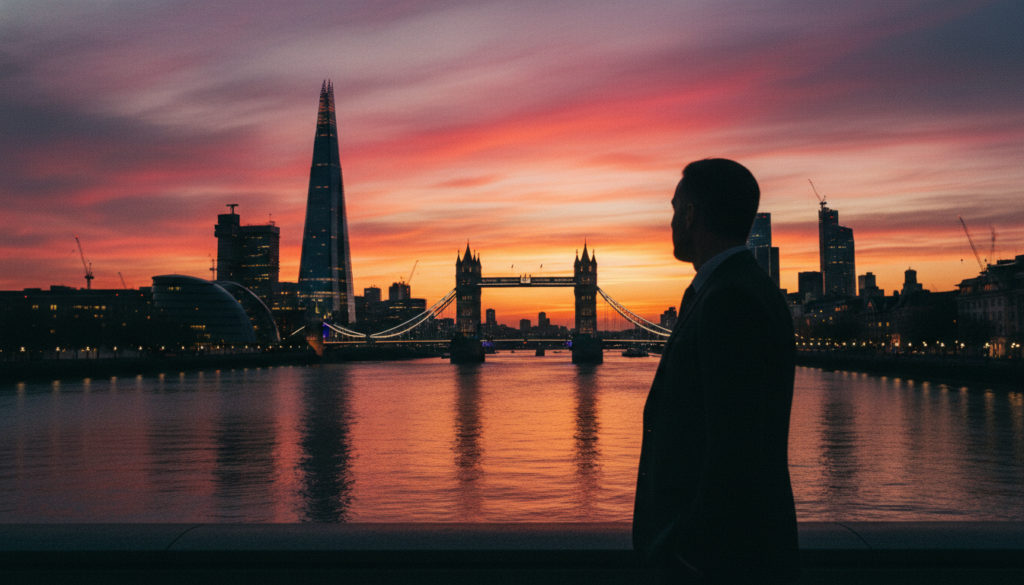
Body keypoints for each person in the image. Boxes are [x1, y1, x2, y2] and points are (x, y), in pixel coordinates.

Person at [633, 159, 800, 583]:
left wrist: (690, 556)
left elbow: (737, 445)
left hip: (717, 562)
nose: (670, 222)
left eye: (674, 209)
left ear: (690, 216)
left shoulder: (730, 300)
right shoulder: (739, 287)